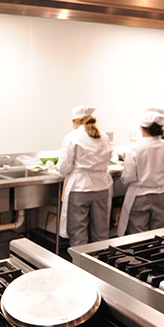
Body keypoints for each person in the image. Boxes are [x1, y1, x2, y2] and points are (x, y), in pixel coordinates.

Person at [57, 105, 113, 247]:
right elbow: (108, 159)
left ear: (76, 121)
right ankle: (99, 265)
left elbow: (63, 168)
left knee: (78, 233)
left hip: (80, 188)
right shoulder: (104, 136)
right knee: (101, 232)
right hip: (101, 187)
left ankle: (80, 267)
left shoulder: (72, 136)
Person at [118, 111, 164, 236]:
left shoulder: (136, 148)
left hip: (140, 196)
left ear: (142, 128)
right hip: (163, 196)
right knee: (160, 235)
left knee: (138, 236)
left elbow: (128, 177)